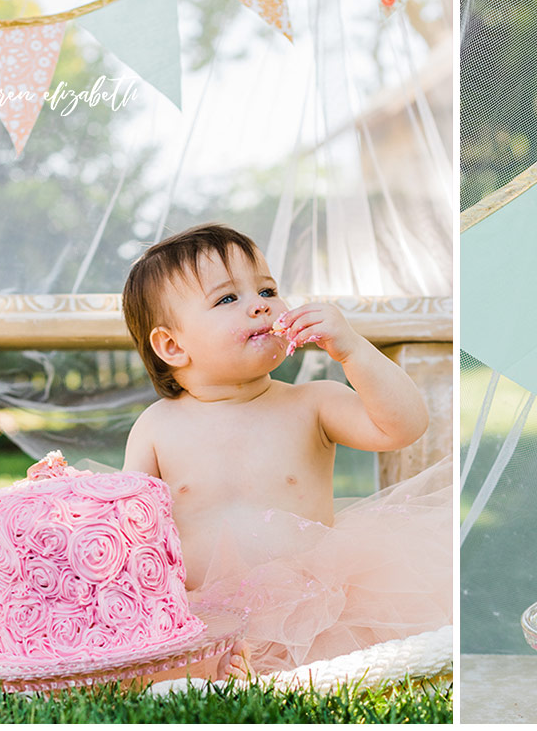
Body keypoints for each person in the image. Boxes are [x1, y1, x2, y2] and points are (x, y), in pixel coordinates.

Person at [121, 223, 451, 679]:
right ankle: (211, 668)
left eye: (267, 289)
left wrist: (352, 349)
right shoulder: (157, 426)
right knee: (170, 674)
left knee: (343, 673)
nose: (261, 304)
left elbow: (403, 426)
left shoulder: (311, 403)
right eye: (227, 299)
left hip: (315, 610)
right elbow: (131, 529)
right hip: (203, 617)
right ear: (173, 346)